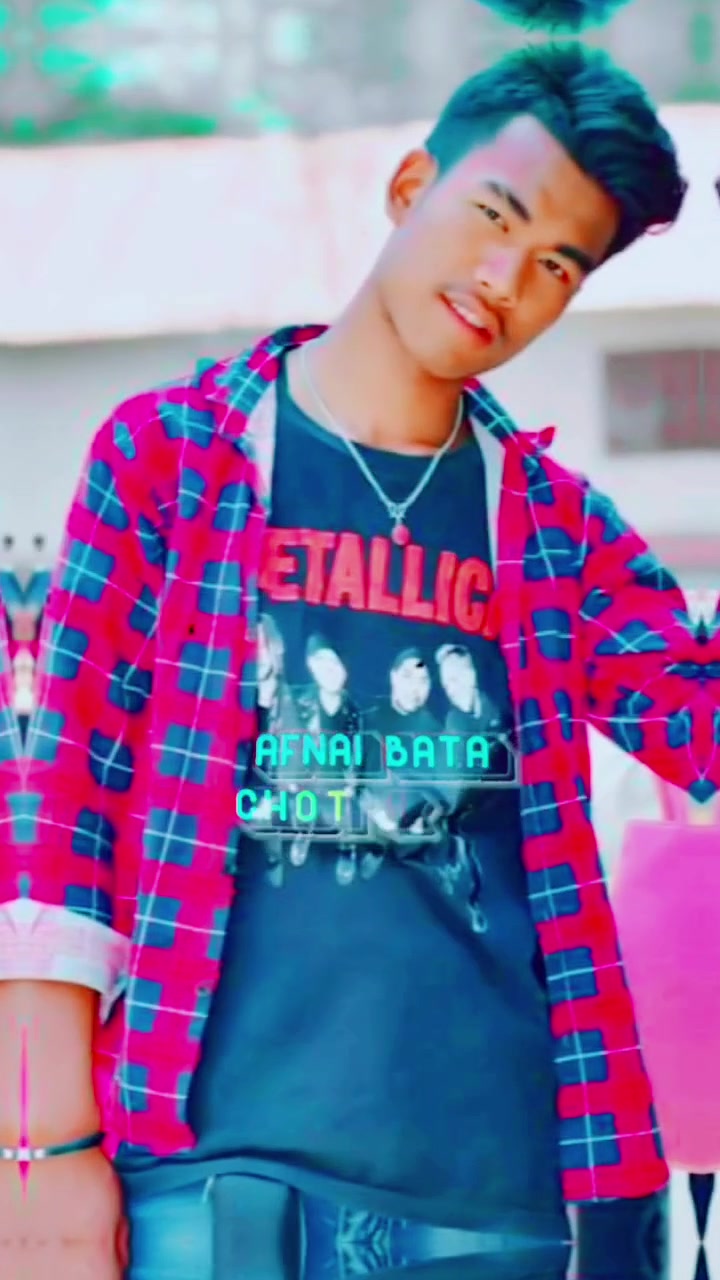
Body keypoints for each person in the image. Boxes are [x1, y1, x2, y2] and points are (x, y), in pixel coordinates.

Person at [6, 37, 720, 1280]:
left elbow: (700, 722)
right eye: (495, 215)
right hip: (213, 1182)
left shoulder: (553, 526)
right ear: (410, 186)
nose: (505, 279)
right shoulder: (173, 457)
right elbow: (56, 810)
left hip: (503, 1200)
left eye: (557, 264)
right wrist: (40, 1149)